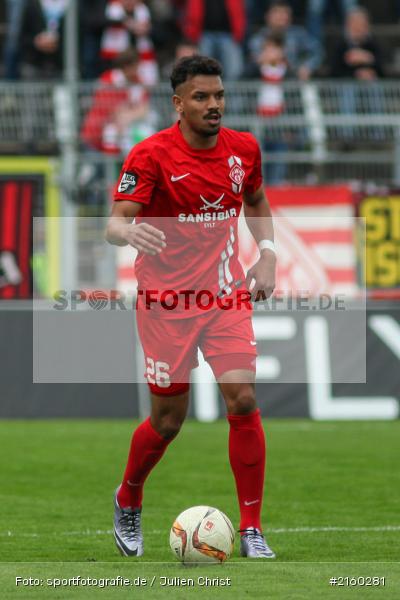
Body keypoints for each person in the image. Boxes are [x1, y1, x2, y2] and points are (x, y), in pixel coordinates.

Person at [106, 55, 277, 559]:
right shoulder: (151, 155)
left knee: (242, 399)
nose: (214, 105)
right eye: (201, 97)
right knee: (167, 420)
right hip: (165, 303)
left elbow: (258, 202)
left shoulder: (243, 149)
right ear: (178, 104)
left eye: (219, 95)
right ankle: (129, 495)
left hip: (224, 295)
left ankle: (251, 528)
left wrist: (268, 255)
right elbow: (115, 222)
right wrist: (128, 231)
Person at [248, 0, 323, 81]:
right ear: (267, 16)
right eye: (277, 13)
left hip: (294, 84)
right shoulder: (257, 39)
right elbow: (251, 64)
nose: (281, 17)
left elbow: (318, 51)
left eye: (285, 13)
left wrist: (307, 66)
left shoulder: (299, 35)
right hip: (263, 85)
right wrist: (260, 60)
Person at [182, 0, 246, 80]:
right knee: (202, 70)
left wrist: (239, 32)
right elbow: (192, 13)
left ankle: (230, 92)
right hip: (204, 35)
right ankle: (206, 91)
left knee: (234, 70)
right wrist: (192, 35)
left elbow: (239, 13)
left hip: (228, 35)